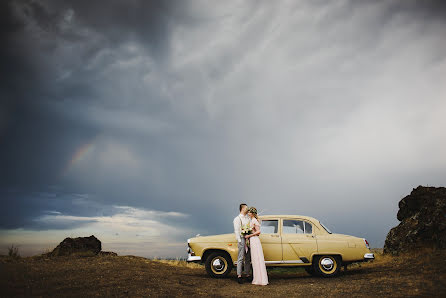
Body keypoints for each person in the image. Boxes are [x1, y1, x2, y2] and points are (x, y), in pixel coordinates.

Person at [245, 207, 268, 286]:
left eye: (249, 212)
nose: (248, 213)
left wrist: (249, 235)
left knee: (257, 259)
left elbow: (258, 232)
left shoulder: (254, 220)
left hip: (255, 240)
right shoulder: (252, 220)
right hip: (252, 240)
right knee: (254, 260)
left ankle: (260, 279)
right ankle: (257, 278)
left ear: (252, 213)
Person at [233, 203, 252, 284]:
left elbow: (251, 226)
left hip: (248, 238)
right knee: (240, 257)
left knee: (248, 257)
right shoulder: (237, 219)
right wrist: (240, 241)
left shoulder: (248, 218)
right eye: (246, 208)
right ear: (242, 208)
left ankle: (247, 274)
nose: (247, 209)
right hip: (241, 238)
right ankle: (239, 275)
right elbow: (237, 231)